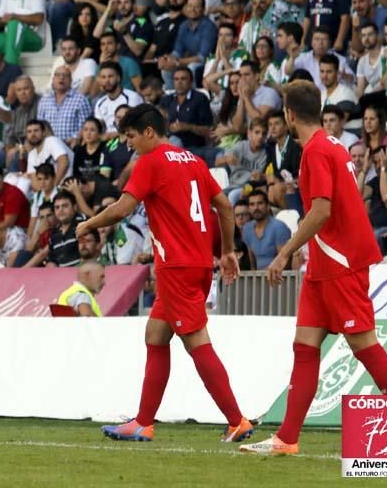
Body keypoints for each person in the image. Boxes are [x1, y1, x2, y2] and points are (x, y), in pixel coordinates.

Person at [240, 79, 387, 455]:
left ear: (289, 114)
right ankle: (287, 439)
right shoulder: (334, 144)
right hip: (325, 264)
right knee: (305, 347)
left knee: (364, 346)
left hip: (340, 262)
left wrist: (284, 253)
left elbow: (321, 210)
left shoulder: (315, 150)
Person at [75, 103, 254, 444]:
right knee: (156, 336)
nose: (128, 144)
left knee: (197, 342)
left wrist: (89, 224)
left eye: (130, 136)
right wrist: (227, 250)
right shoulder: (194, 161)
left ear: (148, 132)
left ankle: (237, 420)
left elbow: (124, 208)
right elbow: (225, 206)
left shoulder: (150, 162)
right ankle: (143, 422)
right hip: (198, 264)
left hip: (176, 267)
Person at [217, 118, 269, 204]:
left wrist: (260, 177)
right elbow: (217, 162)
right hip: (233, 185)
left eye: (264, 134)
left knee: (233, 196)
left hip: (249, 188)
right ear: (249, 133)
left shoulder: (265, 154)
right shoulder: (240, 146)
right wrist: (226, 159)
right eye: (257, 132)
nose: (260, 136)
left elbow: (258, 179)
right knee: (213, 196)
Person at [36, 66, 92, 147]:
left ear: (71, 80)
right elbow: (40, 126)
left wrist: (75, 138)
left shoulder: (80, 100)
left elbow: (86, 126)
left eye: (65, 75)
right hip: (49, 147)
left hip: (72, 146)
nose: (61, 78)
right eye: (58, 75)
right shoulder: (44, 100)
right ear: (53, 79)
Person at [241, 190, 292, 269]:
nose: (256, 208)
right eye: (252, 204)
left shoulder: (279, 227)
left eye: (260, 203)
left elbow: (285, 263)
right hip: (257, 278)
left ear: (268, 206)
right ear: (248, 208)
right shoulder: (247, 229)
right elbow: (252, 262)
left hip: (279, 277)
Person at [93, 62, 143, 140]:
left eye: (110, 76)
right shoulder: (100, 103)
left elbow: (137, 126)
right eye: (103, 77)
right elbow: (98, 127)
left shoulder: (132, 97)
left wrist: (114, 135)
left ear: (118, 78)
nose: (106, 81)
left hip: (129, 140)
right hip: (108, 142)